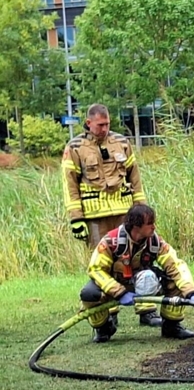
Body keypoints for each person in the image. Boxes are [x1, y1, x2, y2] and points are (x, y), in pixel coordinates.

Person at [62, 104, 160, 327]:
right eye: (100, 125)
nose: (105, 128)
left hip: (126, 214)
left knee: (140, 259)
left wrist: (142, 209)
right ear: (89, 123)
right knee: (103, 265)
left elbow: (135, 178)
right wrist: (76, 218)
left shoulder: (122, 142)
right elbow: (69, 185)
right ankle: (110, 313)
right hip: (95, 217)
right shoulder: (75, 146)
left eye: (107, 124)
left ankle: (146, 309)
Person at [80, 204, 194, 343]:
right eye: (150, 224)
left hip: (143, 283)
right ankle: (104, 329)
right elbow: (96, 269)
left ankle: (171, 326)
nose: (154, 227)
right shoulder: (111, 242)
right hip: (114, 286)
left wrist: (191, 294)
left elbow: (175, 265)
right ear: (136, 226)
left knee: (176, 282)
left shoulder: (155, 241)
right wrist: (119, 292)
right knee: (89, 294)